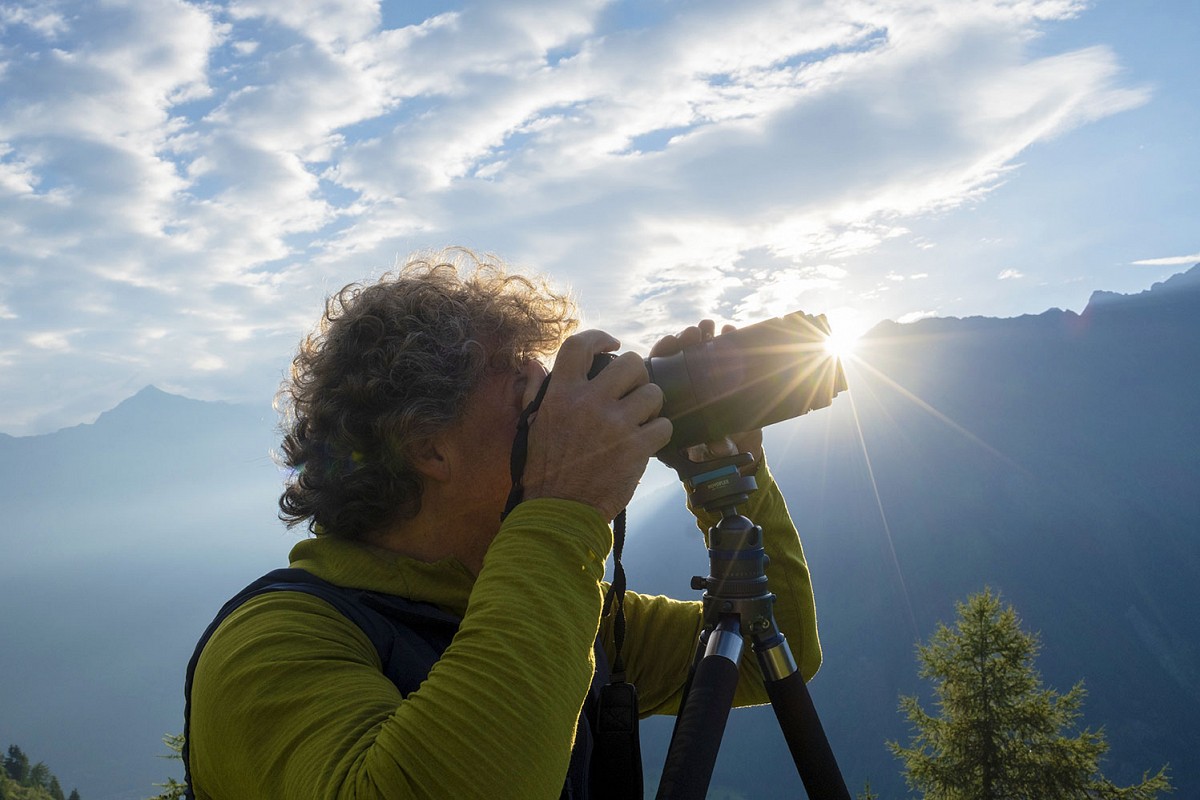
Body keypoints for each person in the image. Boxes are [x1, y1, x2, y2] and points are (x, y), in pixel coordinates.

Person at [186, 247, 821, 799]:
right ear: (430, 448)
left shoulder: (561, 611)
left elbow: (769, 649)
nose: (558, 412)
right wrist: (564, 509)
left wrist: (723, 473)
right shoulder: (270, 646)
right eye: (526, 391)